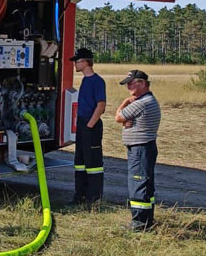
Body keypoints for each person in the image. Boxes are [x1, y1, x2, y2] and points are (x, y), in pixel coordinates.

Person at [114, 70, 161, 231]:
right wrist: (127, 121)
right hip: (144, 147)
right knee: (146, 184)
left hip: (140, 148)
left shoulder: (141, 103)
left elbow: (119, 117)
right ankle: (147, 220)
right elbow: (125, 121)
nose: (128, 87)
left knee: (138, 183)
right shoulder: (148, 101)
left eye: (130, 83)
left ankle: (139, 223)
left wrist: (126, 101)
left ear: (141, 83)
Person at [69, 47, 106, 205]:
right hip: (83, 124)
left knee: (93, 163)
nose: (75, 65)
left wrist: (90, 125)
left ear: (85, 62)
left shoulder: (97, 81)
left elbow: (101, 105)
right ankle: (80, 195)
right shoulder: (85, 80)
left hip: (91, 125)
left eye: (77, 62)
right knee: (80, 161)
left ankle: (93, 198)